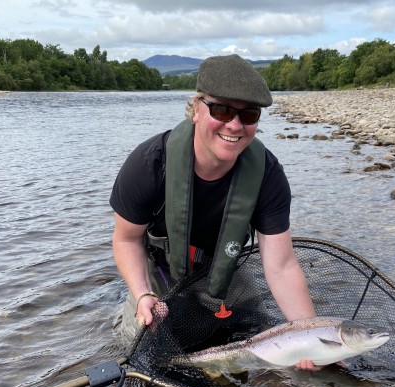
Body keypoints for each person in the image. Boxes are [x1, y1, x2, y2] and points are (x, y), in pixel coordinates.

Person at [110, 54, 317, 369]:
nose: (234, 125)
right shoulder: (149, 165)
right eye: (221, 109)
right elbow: (126, 240)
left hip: (225, 270)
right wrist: (142, 295)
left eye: (248, 115)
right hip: (163, 272)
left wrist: (310, 337)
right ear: (196, 109)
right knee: (135, 347)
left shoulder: (267, 175)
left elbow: (282, 265)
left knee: (256, 330)